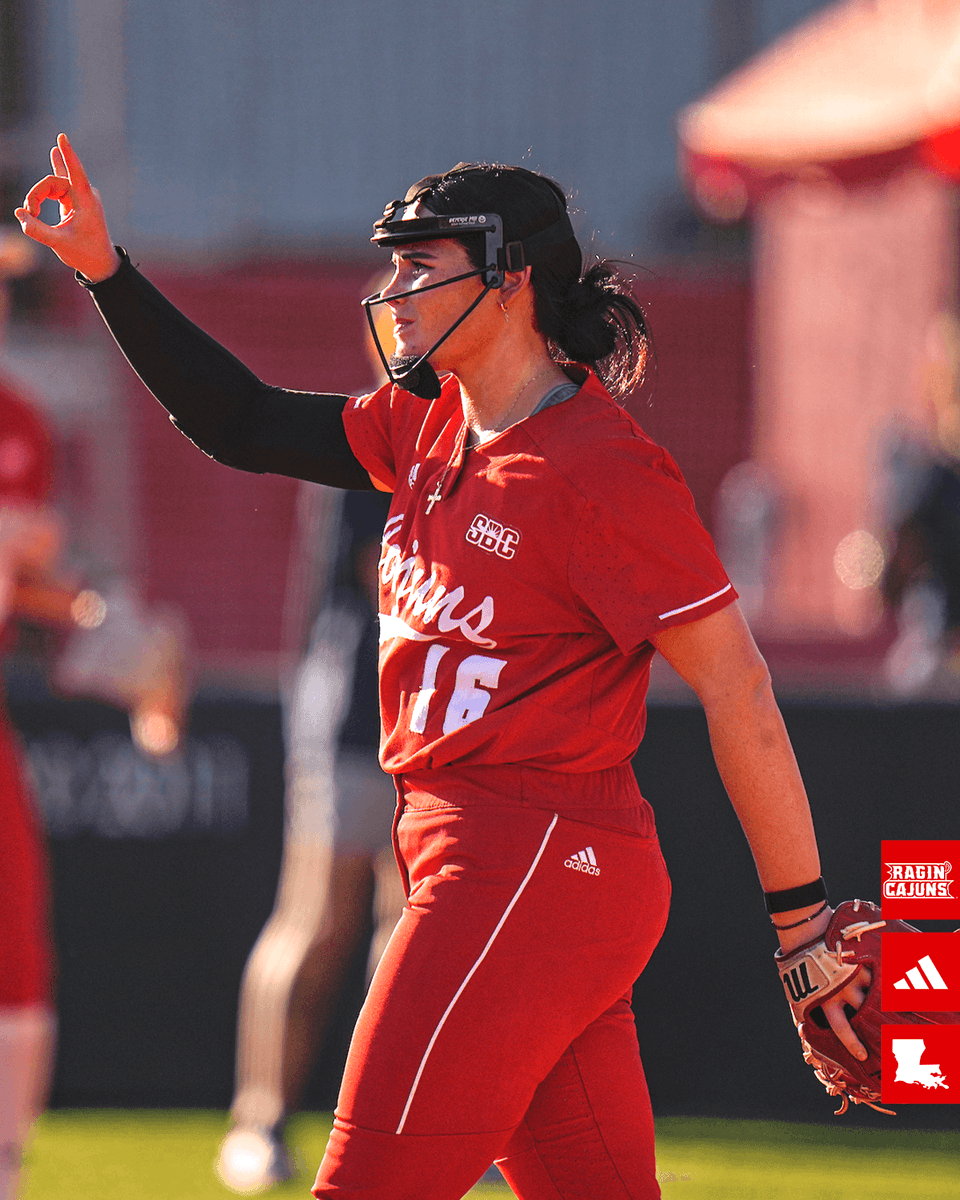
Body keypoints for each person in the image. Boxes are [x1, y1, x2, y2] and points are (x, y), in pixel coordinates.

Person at [17, 135, 870, 1200]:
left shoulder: (604, 472)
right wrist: (107, 270)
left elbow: (740, 689)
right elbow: (239, 422)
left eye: (422, 265)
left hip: (530, 856)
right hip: (489, 857)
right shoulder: (429, 426)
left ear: (510, 282)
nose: (395, 290)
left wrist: (803, 924)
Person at [217, 485, 403, 1194]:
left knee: (411, 936)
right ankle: (257, 1124)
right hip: (351, 726)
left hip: (439, 726)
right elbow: (390, 576)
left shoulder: (477, 438)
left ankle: (408, 1129)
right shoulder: (371, 445)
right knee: (317, 923)